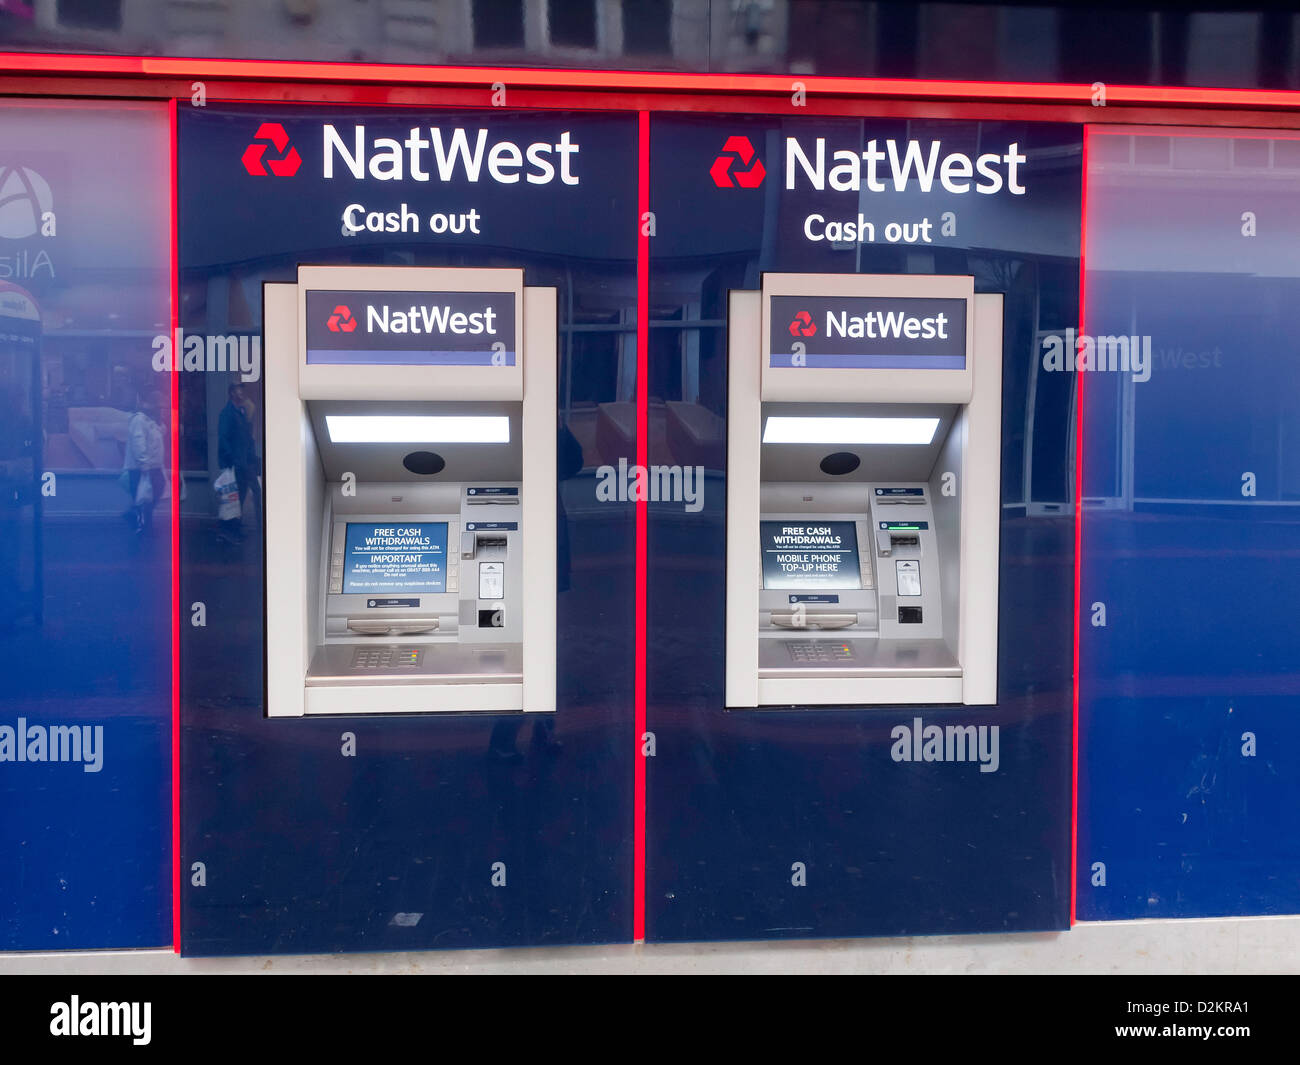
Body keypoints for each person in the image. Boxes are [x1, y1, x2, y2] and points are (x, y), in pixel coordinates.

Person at [217, 381, 261, 540]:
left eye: (242, 389)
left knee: (241, 496)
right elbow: (223, 439)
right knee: (234, 498)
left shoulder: (241, 411)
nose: (242, 392)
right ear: (231, 393)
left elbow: (246, 438)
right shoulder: (228, 413)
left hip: (245, 462)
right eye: (238, 390)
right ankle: (229, 530)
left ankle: (235, 528)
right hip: (236, 463)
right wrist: (232, 461)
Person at [123, 392, 166, 534]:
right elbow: (138, 442)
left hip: (153, 466)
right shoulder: (139, 420)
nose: (152, 404)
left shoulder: (149, 420)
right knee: (144, 497)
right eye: (148, 401)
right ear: (140, 401)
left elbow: (157, 437)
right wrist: (144, 464)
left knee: (151, 494)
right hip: (142, 468)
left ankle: (138, 518)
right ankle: (144, 526)